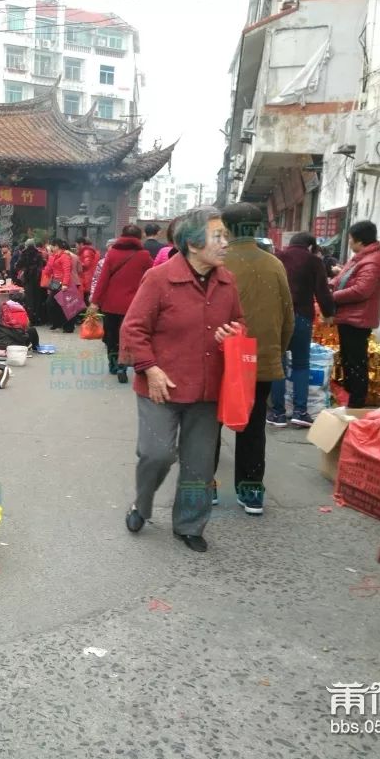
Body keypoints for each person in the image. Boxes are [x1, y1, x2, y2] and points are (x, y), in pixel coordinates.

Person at [118, 206, 243, 553]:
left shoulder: (227, 282)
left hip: (206, 389)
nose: (225, 243)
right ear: (193, 243)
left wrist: (232, 334)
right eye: (218, 236)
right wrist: (150, 367)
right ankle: (141, 506)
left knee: (199, 465)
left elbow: (239, 324)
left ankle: (189, 524)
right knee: (156, 454)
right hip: (160, 386)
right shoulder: (159, 279)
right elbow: (133, 328)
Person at [213, 203, 293, 515]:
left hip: (221, 360)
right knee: (253, 426)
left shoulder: (218, 262)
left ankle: (208, 488)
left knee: (210, 425)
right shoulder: (274, 264)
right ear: (258, 228)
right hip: (259, 361)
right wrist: (275, 352)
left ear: (228, 229)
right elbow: (288, 316)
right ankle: (251, 492)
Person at [270, 232, 335, 428]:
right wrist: (329, 312)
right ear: (310, 246)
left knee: (278, 365)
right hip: (301, 317)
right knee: (300, 364)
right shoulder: (313, 261)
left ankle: (278, 413)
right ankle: (300, 411)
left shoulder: (277, 257)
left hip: (278, 317)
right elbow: (322, 291)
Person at [331, 220, 380, 408]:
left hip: (358, 319)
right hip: (350, 317)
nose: (349, 242)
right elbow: (344, 279)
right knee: (349, 360)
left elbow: (361, 290)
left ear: (359, 241)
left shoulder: (373, 260)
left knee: (356, 362)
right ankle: (350, 399)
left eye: (350, 239)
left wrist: (332, 297)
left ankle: (356, 403)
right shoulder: (361, 258)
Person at [89, 225, 153, 383]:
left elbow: (103, 280)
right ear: (139, 237)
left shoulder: (112, 253)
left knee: (111, 335)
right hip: (133, 305)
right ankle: (122, 366)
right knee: (128, 336)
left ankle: (113, 364)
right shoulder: (144, 256)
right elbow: (152, 279)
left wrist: (95, 301)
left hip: (110, 304)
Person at [43, 238, 77, 332]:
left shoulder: (65, 256)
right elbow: (48, 270)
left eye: (52, 246)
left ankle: (68, 326)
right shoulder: (54, 256)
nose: (51, 248)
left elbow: (67, 271)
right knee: (50, 303)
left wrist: (65, 284)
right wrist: (50, 258)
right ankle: (57, 323)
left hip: (64, 283)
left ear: (57, 246)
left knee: (66, 305)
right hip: (55, 282)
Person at [15, 238, 45, 326]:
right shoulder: (39, 254)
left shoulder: (24, 254)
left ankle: (30, 319)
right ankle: (37, 319)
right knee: (37, 299)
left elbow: (18, 265)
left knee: (29, 299)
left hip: (28, 278)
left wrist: (24, 269)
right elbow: (42, 265)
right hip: (37, 279)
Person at [76, 237, 100, 304]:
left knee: (86, 298)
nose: (76, 246)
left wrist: (77, 263)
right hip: (89, 276)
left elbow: (86, 264)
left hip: (86, 277)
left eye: (76, 244)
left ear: (81, 244)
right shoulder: (91, 250)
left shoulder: (86, 251)